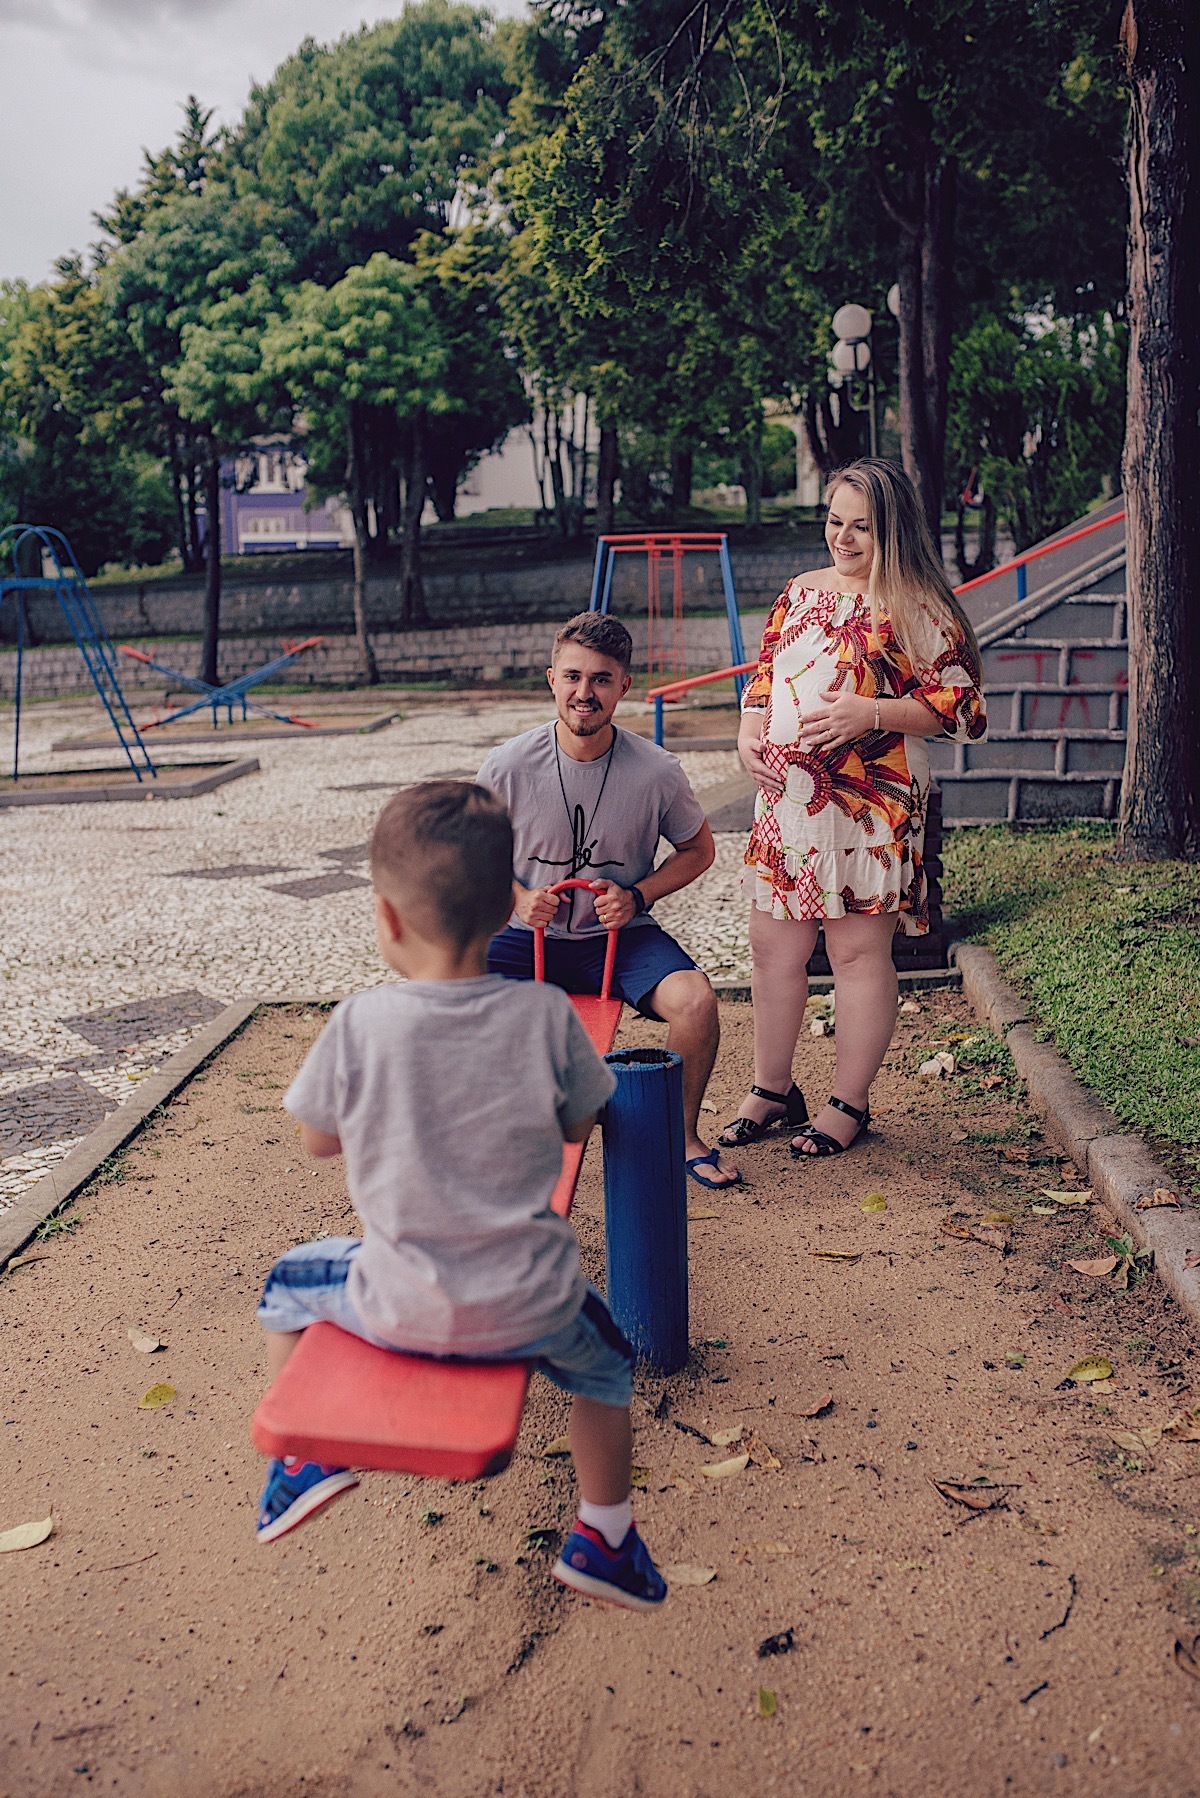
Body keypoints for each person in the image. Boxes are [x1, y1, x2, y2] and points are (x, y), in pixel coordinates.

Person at [254, 780, 667, 1612]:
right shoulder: (546, 1016)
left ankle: (300, 1460)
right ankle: (605, 1532)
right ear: (505, 912)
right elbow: (583, 1122)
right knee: (610, 1366)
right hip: (533, 1304)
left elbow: (317, 1138)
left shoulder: (360, 1024)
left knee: (287, 1285)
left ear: (388, 919)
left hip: (396, 1300)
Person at [720, 457, 986, 1158]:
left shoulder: (917, 605)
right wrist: (749, 731)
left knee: (856, 953)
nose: (842, 538)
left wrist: (872, 710)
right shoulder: (801, 592)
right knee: (773, 947)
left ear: (892, 530)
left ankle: (850, 1103)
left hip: (871, 804)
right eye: (835, 522)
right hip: (786, 801)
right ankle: (771, 1089)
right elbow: (764, 677)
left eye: (861, 527)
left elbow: (962, 710)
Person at [477, 611, 740, 1190]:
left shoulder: (656, 771)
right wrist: (519, 898)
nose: (584, 692)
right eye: (572, 677)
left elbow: (698, 850)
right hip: (526, 938)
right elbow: (473, 855)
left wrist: (637, 895)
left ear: (624, 686)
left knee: (696, 1001)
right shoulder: (508, 765)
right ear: (551, 679)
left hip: (617, 940)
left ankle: (681, 1134)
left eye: (600, 679)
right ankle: (475, 1142)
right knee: (443, 999)